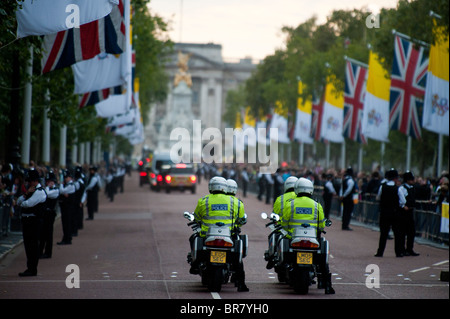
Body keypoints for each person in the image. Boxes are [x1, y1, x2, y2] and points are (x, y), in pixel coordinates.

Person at [191, 176, 249, 292]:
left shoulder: (204, 200)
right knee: (238, 259)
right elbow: (241, 219)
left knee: (193, 238)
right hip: (228, 235)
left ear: (210, 187)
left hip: (206, 235)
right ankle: (241, 284)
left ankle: (194, 264)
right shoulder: (236, 202)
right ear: (225, 187)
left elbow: (196, 217)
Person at [279, 177, 335, 294]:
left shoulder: (291, 204)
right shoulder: (316, 205)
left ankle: (284, 269)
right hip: (312, 239)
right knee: (322, 258)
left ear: (297, 189)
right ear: (311, 189)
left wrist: (289, 231)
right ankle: (327, 284)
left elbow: (284, 222)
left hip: (294, 238)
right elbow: (321, 225)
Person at [15, 169, 47, 276]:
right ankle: (30, 267)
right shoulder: (30, 191)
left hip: (34, 221)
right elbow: (19, 201)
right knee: (28, 245)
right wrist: (26, 194)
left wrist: (23, 200)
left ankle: (32, 269)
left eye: (30, 181)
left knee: (32, 246)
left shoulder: (39, 192)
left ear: (34, 181)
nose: (28, 183)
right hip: (27, 221)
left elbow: (27, 204)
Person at [265, 176, 298, 269]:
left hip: (284, 228)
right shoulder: (300, 198)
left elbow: (274, 215)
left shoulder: (280, 199)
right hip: (299, 230)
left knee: (272, 235)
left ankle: (271, 257)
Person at [374, 168, 406, 257]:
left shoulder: (382, 187)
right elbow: (403, 201)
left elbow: (378, 197)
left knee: (383, 233)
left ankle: (380, 252)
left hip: (384, 213)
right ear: (395, 178)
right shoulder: (398, 189)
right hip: (395, 213)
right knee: (397, 233)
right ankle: (398, 252)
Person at [399, 171, 419, 256]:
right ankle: (403, 249)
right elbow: (401, 199)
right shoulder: (402, 188)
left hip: (410, 211)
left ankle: (410, 249)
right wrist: (403, 206)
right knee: (403, 231)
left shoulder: (412, 188)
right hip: (404, 212)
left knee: (411, 232)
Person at [39, 170, 59, 258]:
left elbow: (46, 194)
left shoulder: (55, 190)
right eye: (47, 181)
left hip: (50, 213)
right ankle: (40, 251)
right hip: (44, 213)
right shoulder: (47, 188)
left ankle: (48, 252)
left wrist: (47, 187)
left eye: (49, 181)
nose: (48, 183)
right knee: (42, 233)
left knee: (49, 233)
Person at [58, 169, 76, 245]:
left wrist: (61, 184)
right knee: (65, 223)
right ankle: (66, 238)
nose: (65, 179)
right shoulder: (68, 185)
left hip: (68, 208)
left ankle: (67, 239)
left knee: (66, 223)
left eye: (67, 177)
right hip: (66, 207)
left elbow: (61, 191)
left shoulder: (70, 186)